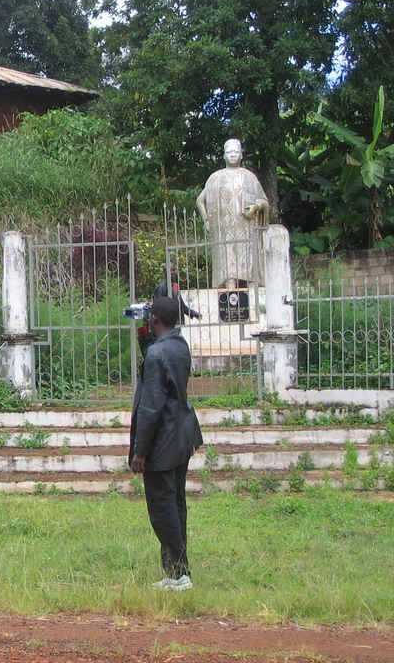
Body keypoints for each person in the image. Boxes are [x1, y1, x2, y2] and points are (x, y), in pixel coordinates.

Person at [129, 296, 203, 591]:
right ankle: (177, 573)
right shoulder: (178, 344)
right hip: (181, 437)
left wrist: (140, 452)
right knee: (175, 505)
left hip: (161, 442)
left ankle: (179, 574)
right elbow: (153, 357)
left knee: (162, 510)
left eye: (149, 317)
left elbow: (150, 408)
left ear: (155, 319)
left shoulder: (159, 355)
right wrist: (143, 332)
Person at [195, 139, 269, 288]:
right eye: (229, 152)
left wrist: (255, 207)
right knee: (227, 254)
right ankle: (230, 283)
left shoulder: (249, 176)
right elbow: (199, 201)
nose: (232, 155)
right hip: (225, 227)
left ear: (241, 155)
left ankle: (251, 281)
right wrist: (206, 219)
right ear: (223, 156)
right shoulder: (215, 177)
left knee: (247, 253)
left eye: (236, 152)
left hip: (245, 225)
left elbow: (264, 201)